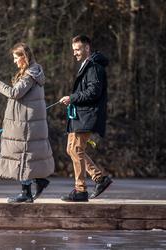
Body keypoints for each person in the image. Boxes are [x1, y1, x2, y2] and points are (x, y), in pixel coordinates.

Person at [0, 42, 55, 203]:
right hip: (25, 122)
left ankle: (26, 192)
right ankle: (38, 182)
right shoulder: (31, 72)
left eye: (16, 58)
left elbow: (15, 93)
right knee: (25, 154)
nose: (14, 61)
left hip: (25, 124)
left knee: (23, 154)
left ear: (24, 57)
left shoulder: (29, 75)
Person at [59, 35, 112, 202]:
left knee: (76, 149)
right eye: (73, 50)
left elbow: (93, 92)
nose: (74, 53)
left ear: (87, 48)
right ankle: (99, 178)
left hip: (88, 115)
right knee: (72, 149)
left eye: (78, 49)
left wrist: (72, 98)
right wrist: (72, 99)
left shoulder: (94, 67)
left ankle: (81, 190)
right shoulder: (87, 65)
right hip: (81, 115)